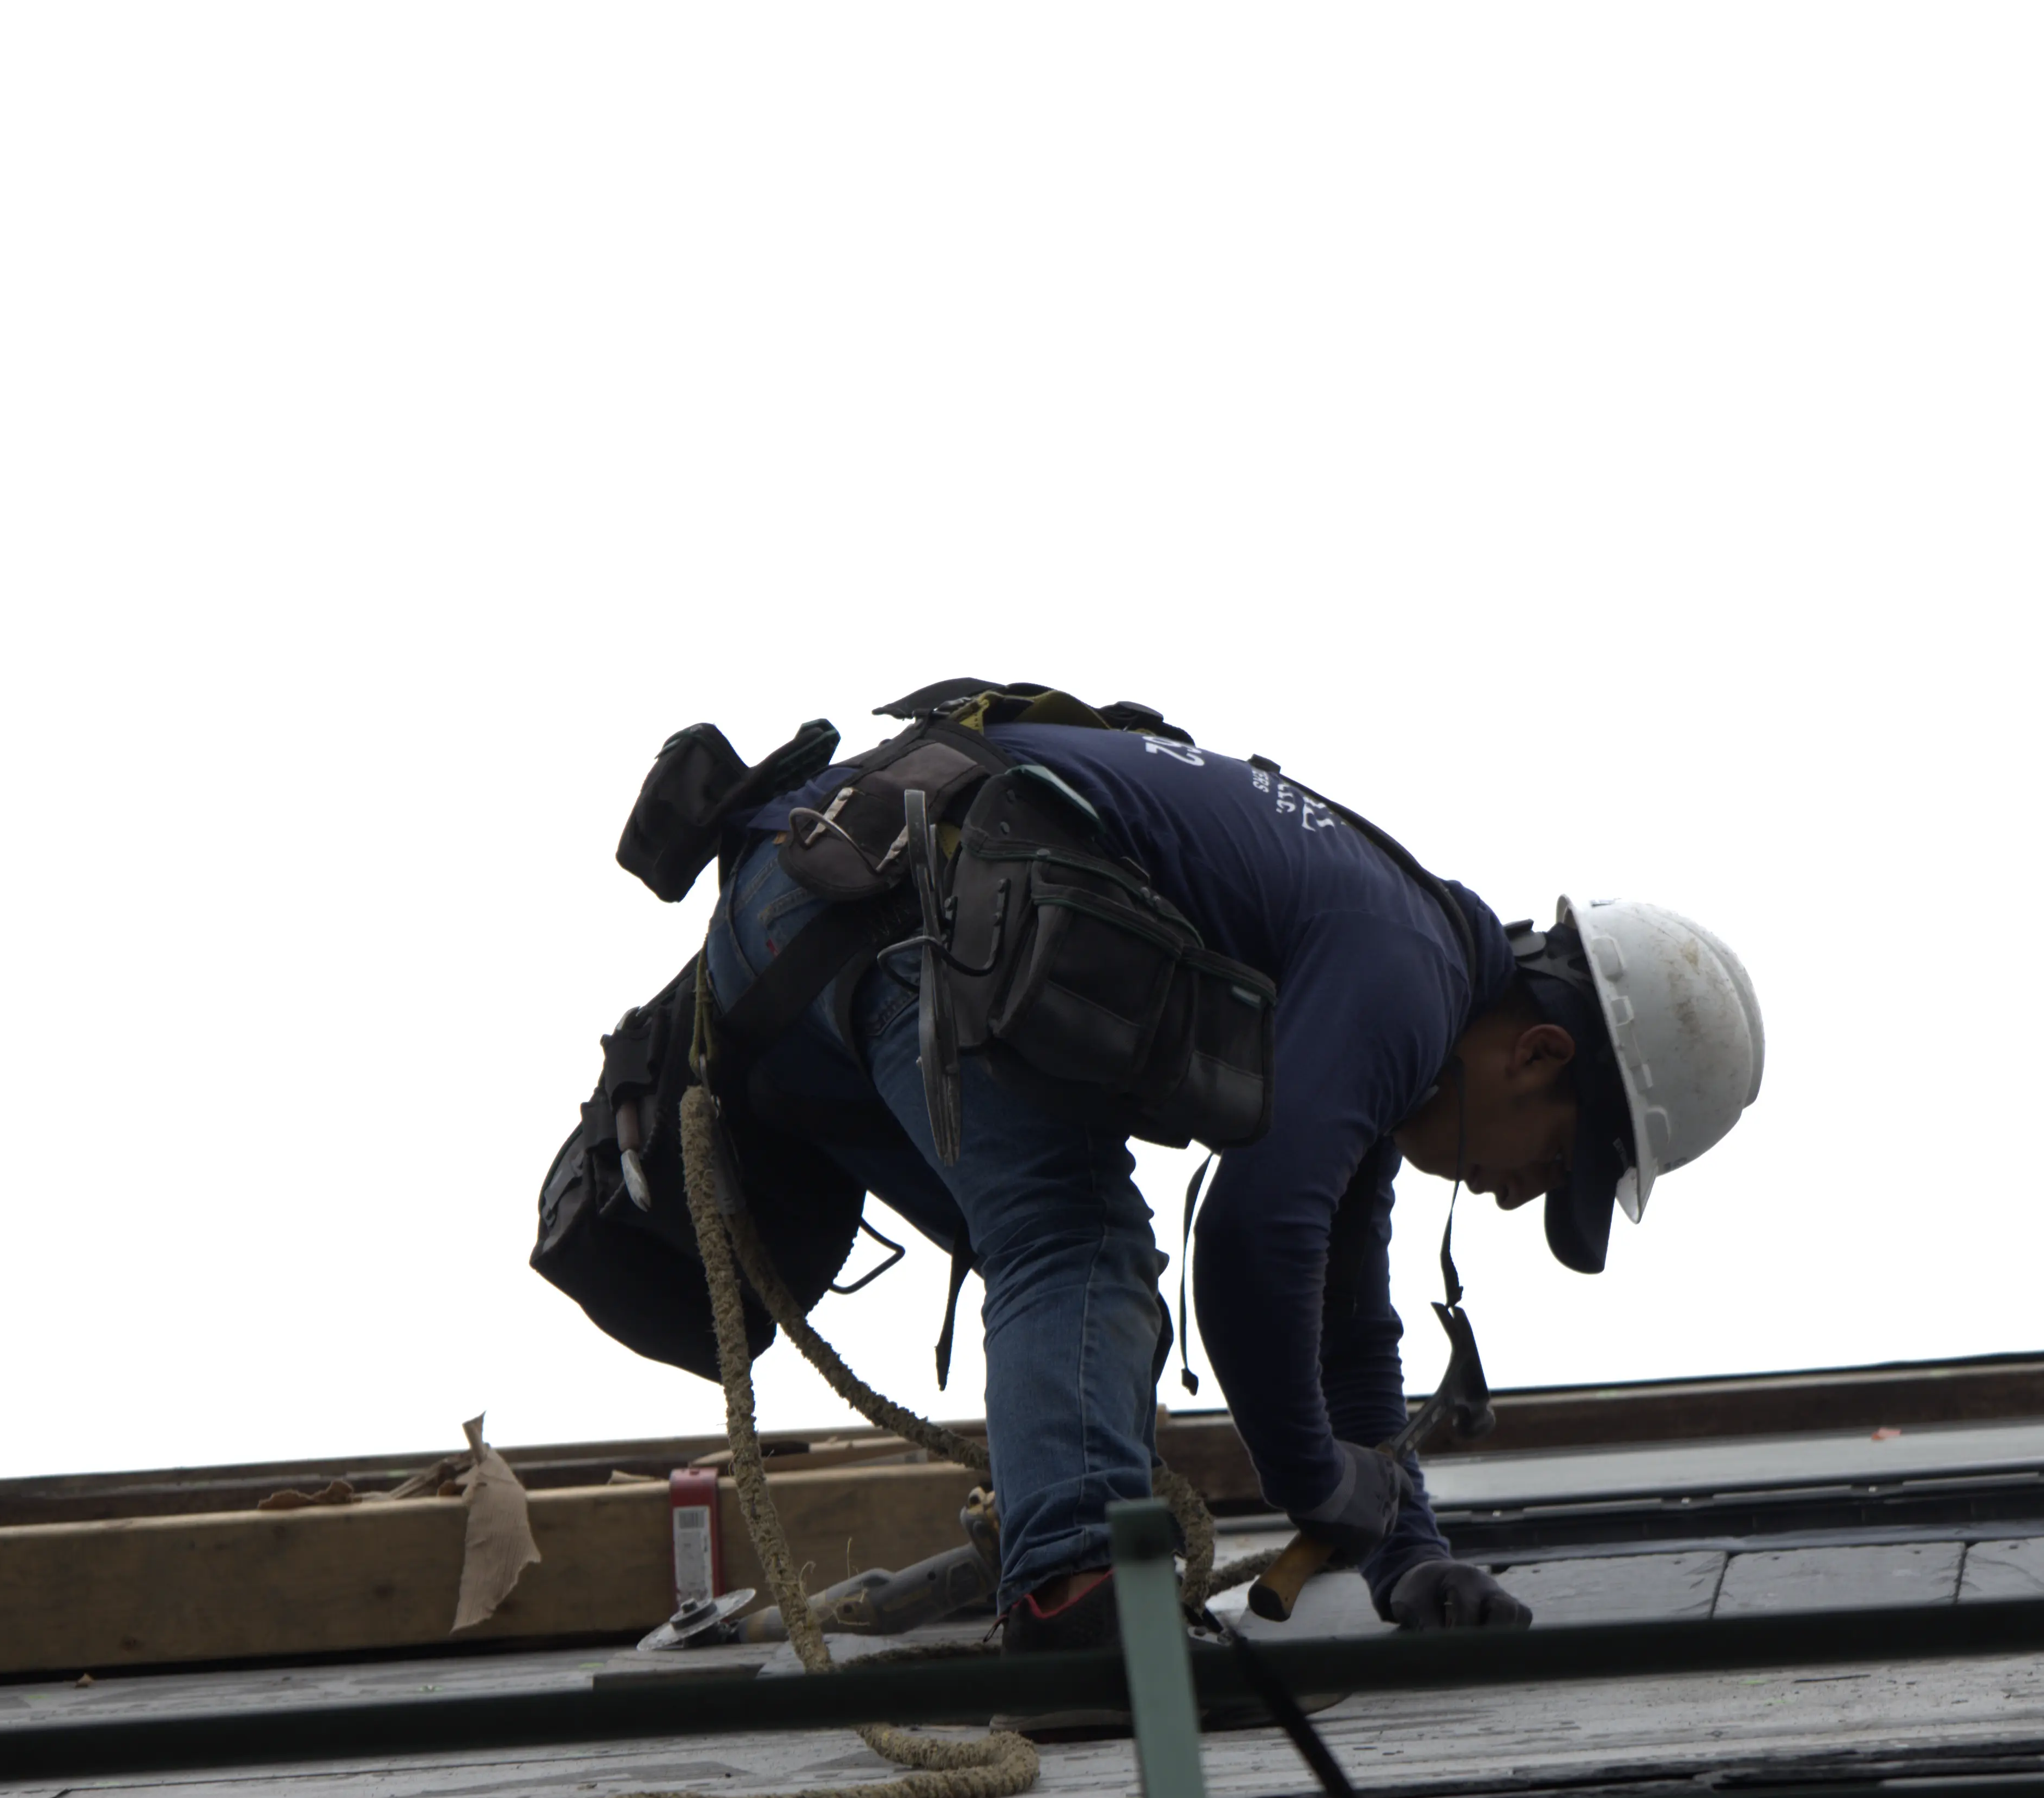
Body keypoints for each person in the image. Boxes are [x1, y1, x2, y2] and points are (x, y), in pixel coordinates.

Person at [691, 681, 1763, 1651]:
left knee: (1062, 1284)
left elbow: (1344, 1318)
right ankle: (1077, 1605)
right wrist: (1312, 1479)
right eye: (1558, 1161)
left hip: (783, 946)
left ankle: (1073, 1565)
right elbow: (1253, 1242)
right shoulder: (1406, 971)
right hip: (886, 903)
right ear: (1539, 1053)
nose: (1519, 1194)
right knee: (1076, 1240)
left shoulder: (1388, 993)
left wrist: (1406, 1553)